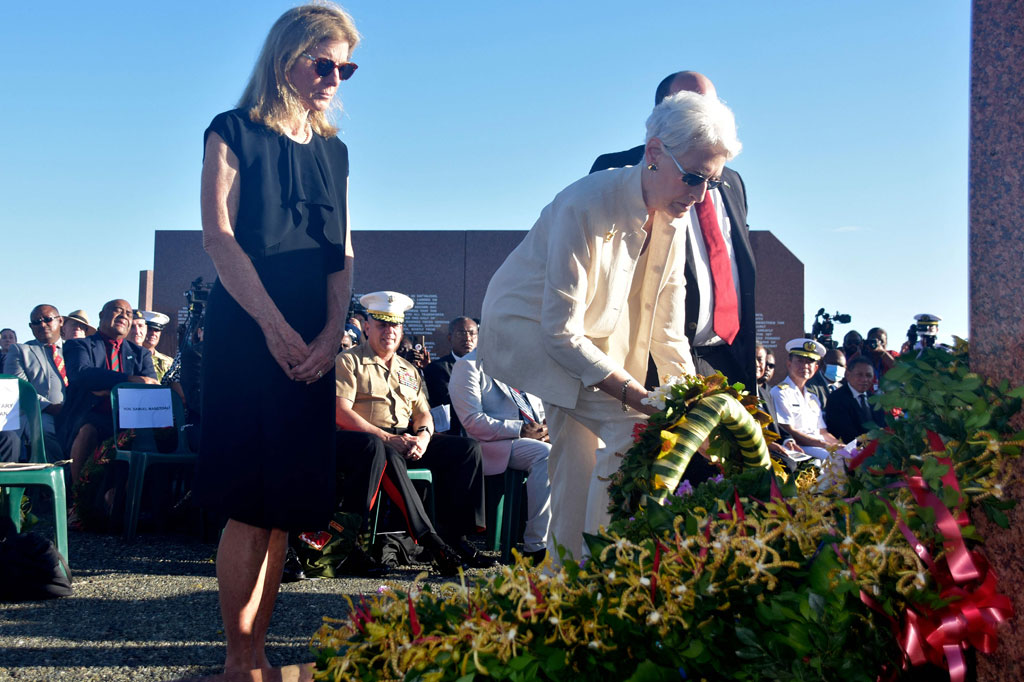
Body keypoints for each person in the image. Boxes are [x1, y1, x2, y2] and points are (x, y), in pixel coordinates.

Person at [481, 90, 741, 561]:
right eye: (692, 177)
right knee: (634, 429)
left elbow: (668, 332)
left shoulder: (677, 216)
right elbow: (560, 332)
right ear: (654, 152)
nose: (700, 195)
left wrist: (692, 404)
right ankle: (605, 568)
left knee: (579, 456)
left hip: (591, 338)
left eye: (712, 182)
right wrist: (639, 397)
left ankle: (563, 580)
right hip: (530, 330)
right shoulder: (584, 203)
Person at [193, 4, 359, 674]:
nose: (335, 79)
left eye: (346, 68)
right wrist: (274, 326)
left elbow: (342, 255)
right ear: (285, 58)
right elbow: (218, 236)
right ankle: (240, 659)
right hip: (247, 332)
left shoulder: (335, 152)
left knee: (285, 506)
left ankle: (259, 652)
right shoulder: (231, 130)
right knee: (249, 504)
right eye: (324, 63)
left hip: (314, 342)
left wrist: (332, 334)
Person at [591, 71, 757, 389]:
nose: (700, 192)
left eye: (712, 106)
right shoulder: (619, 171)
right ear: (662, 112)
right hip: (652, 366)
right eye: (692, 104)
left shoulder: (732, 182)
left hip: (727, 361)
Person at [335, 291, 493, 568]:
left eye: (395, 325)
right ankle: (426, 541)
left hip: (404, 437)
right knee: (382, 450)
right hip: (365, 440)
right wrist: (387, 437)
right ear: (367, 328)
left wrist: (423, 438)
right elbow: (340, 412)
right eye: (382, 325)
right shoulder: (350, 361)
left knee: (466, 449)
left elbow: (423, 414)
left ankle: (456, 537)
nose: (389, 331)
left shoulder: (408, 369)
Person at [449, 346, 552, 563]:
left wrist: (546, 429)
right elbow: (472, 421)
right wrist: (520, 430)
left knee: (575, 447)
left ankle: (570, 536)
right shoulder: (467, 366)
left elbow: (539, 409)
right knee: (545, 454)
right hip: (490, 444)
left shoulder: (521, 360)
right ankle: (537, 546)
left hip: (528, 438)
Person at [61, 299, 158, 481]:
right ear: (101, 315)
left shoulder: (140, 354)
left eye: (128, 314)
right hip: (89, 415)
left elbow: (150, 386)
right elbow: (82, 374)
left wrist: (108, 389)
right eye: (118, 310)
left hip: (130, 419)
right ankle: (77, 493)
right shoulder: (79, 346)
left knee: (152, 438)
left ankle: (128, 496)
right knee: (88, 430)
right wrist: (129, 380)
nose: (124, 316)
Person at [3, 304, 68, 461]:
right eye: (36, 322)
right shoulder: (20, 351)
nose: (42, 325)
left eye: (47, 319)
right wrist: (51, 407)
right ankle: (60, 473)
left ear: (60, 321)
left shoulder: (76, 349)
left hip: (74, 410)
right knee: (44, 431)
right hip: (38, 413)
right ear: (31, 326)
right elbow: (18, 390)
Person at [769, 339, 842, 460]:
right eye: (800, 361)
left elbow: (823, 432)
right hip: (798, 448)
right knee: (835, 459)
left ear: (816, 368)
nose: (805, 366)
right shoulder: (779, 392)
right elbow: (788, 430)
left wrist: (839, 445)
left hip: (819, 446)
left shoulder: (813, 397)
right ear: (789, 363)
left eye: (809, 362)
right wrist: (826, 445)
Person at [423, 317, 478, 435]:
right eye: (461, 333)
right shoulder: (437, 368)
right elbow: (447, 402)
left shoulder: (487, 367)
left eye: (472, 333)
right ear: (449, 338)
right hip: (456, 431)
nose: (467, 338)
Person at [825, 356, 884, 443]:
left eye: (868, 375)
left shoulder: (874, 399)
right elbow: (845, 433)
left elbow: (882, 426)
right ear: (848, 375)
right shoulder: (836, 399)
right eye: (859, 375)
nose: (864, 379)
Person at [139, 312, 173, 381]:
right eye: (149, 329)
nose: (153, 333)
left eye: (157, 330)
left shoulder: (168, 362)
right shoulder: (130, 357)